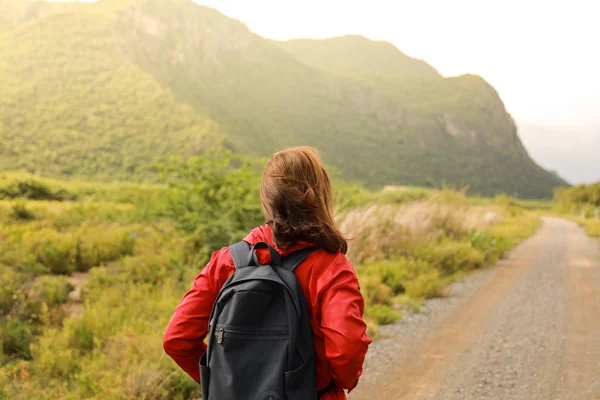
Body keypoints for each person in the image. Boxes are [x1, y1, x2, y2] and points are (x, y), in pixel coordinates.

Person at [163, 146, 371, 400]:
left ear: (268, 198)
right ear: (321, 196)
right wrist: (333, 382)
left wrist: (225, 380)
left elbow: (177, 339)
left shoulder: (227, 261)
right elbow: (346, 350)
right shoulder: (332, 267)